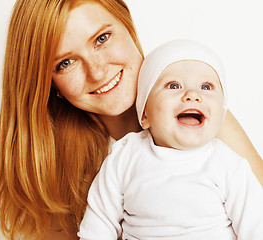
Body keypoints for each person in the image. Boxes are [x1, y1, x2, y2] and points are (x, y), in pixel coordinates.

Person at [0, 0, 262, 239]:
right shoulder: (52, 165)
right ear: (50, 84)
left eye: (102, 38)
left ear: (128, 25)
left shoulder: (200, 117)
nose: (98, 72)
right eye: (65, 63)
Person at [78, 39, 263, 240]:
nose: (192, 94)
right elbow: (99, 222)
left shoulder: (228, 164)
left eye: (206, 86)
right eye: (174, 85)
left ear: (221, 114)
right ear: (145, 114)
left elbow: (255, 227)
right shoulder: (125, 156)